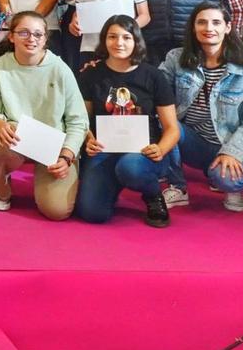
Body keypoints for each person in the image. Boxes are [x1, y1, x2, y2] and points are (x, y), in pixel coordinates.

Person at [158, 2, 243, 212]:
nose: (208, 28)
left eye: (216, 22)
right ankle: (178, 187)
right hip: (197, 144)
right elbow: (154, 88)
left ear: (228, 27)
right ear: (193, 28)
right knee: (165, 121)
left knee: (227, 180)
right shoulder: (176, 58)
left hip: (240, 149)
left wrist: (232, 152)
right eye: (201, 22)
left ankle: (230, 180)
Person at [74, 16, 180, 227]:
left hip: (143, 153)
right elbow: (81, 121)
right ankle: (112, 183)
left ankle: (152, 195)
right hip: (103, 150)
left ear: (136, 41)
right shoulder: (90, 74)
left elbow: (172, 129)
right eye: (112, 37)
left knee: (130, 167)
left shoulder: (154, 76)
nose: (119, 43)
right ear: (104, 40)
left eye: (126, 37)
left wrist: (160, 149)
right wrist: (88, 139)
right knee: (92, 213)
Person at [0, 11, 86, 220]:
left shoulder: (60, 69)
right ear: (11, 36)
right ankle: (1, 186)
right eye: (24, 33)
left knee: (57, 212)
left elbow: (78, 120)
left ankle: (57, 177)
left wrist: (66, 156)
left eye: (38, 34)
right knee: (4, 135)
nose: (32, 39)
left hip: (55, 145)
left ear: (45, 39)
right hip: (17, 138)